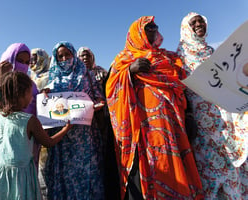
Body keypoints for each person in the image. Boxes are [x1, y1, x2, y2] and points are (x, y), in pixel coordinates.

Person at [106, 16, 204, 199]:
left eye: (154, 26)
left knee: (175, 166)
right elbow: (111, 92)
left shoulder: (168, 57)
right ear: (137, 32)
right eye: (148, 27)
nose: (153, 29)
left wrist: (189, 114)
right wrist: (129, 71)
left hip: (174, 124)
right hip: (143, 130)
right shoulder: (123, 59)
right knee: (151, 167)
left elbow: (183, 85)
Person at [177, 12, 248, 199]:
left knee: (231, 160)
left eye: (202, 21)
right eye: (194, 22)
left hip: (225, 121)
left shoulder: (212, 53)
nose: (199, 24)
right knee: (208, 168)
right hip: (201, 125)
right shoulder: (180, 57)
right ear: (186, 28)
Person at [0, 71, 72, 200]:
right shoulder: (30, 120)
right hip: (20, 179)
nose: (32, 98)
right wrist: (65, 129)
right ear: (20, 94)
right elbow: (48, 142)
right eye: (30, 93)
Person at [43, 41, 105, 199]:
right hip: (62, 139)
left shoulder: (87, 76)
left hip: (85, 139)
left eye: (67, 54)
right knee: (64, 176)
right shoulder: (52, 82)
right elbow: (46, 107)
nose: (64, 59)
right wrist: (44, 98)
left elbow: (100, 99)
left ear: (73, 55)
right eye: (60, 56)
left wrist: (95, 105)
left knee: (87, 175)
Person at [0, 43, 40, 166]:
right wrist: (2, 80)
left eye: (26, 62)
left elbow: (37, 106)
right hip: (5, 140)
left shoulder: (30, 84)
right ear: (9, 59)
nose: (23, 65)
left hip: (27, 140)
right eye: (19, 60)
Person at [78, 46, 121, 200]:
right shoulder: (77, 75)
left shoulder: (102, 73)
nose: (85, 59)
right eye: (82, 56)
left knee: (104, 152)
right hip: (83, 122)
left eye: (87, 55)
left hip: (104, 118)